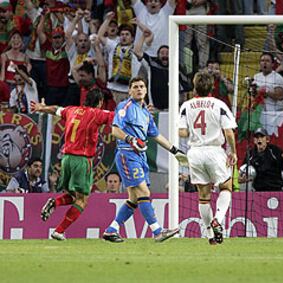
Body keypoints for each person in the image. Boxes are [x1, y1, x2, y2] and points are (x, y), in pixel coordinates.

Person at [103, 76, 186, 243]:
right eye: (135, 87)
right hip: (127, 154)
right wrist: (130, 139)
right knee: (144, 192)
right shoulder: (124, 107)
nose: (139, 89)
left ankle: (111, 230)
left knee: (134, 199)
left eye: (141, 86)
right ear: (130, 91)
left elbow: (156, 135)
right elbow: (115, 130)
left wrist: (174, 150)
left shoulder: (146, 113)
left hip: (140, 156)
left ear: (146, 90)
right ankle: (157, 231)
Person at [30, 89, 115, 241]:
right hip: (81, 160)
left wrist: (42, 108)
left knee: (72, 195)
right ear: (100, 102)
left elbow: (56, 109)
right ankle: (59, 231)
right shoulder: (97, 113)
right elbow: (118, 117)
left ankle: (55, 202)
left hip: (66, 159)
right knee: (82, 200)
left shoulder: (72, 110)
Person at [178, 71, 237, 245]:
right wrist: (233, 151)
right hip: (214, 150)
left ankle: (211, 236)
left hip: (195, 152)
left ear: (195, 86)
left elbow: (181, 132)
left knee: (203, 197)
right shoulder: (219, 105)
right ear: (212, 86)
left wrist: (192, 132)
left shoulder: (186, 106)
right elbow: (228, 132)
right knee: (226, 187)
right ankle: (218, 218)